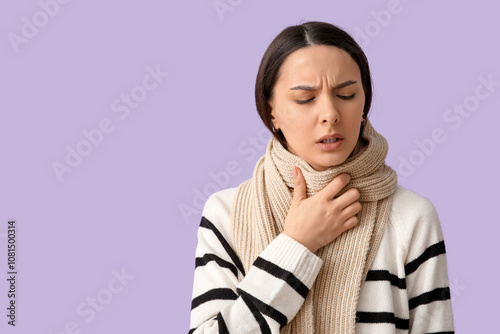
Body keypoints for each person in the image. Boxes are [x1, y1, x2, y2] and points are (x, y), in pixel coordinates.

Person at [188, 20, 454, 333]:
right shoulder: (226, 213)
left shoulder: (412, 217)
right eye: (305, 99)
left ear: (365, 102)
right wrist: (296, 245)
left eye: (346, 94)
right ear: (271, 111)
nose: (330, 113)